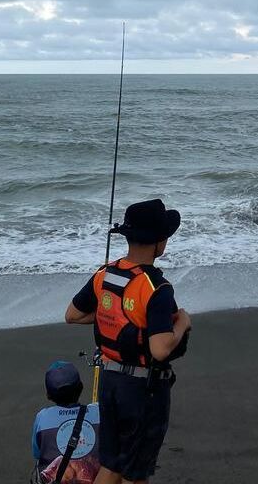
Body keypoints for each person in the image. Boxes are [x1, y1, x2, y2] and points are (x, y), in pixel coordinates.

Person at [64, 199, 191, 484]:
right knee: (136, 471)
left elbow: (72, 315)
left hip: (109, 381)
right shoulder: (156, 288)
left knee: (112, 464)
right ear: (160, 243)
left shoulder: (104, 273)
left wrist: (110, 318)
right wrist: (182, 324)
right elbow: (160, 349)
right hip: (142, 391)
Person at [31, 361, 101, 483]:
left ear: (48, 395)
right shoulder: (98, 411)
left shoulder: (43, 417)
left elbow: (37, 452)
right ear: (81, 387)